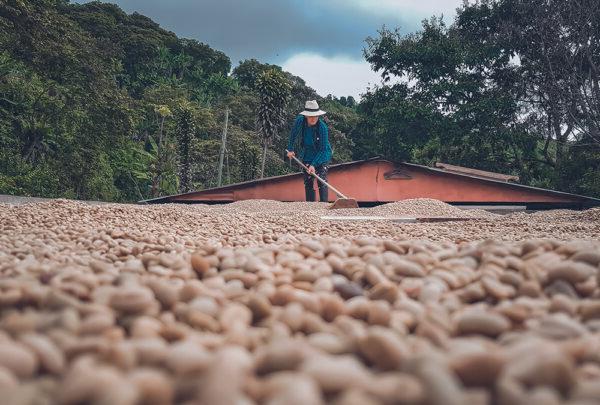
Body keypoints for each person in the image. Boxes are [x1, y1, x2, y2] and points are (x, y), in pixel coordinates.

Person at [286, 100, 333, 202]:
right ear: (306, 116)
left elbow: (322, 149)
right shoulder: (300, 121)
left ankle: (323, 205)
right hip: (308, 153)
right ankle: (310, 205)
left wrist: (314, 165)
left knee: (321, 179)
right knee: (308, 179)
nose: (313, 118)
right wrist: (290, 149)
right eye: (311, 116)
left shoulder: (322, 128)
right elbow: (293, 134)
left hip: (322, 154)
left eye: (315, 116)